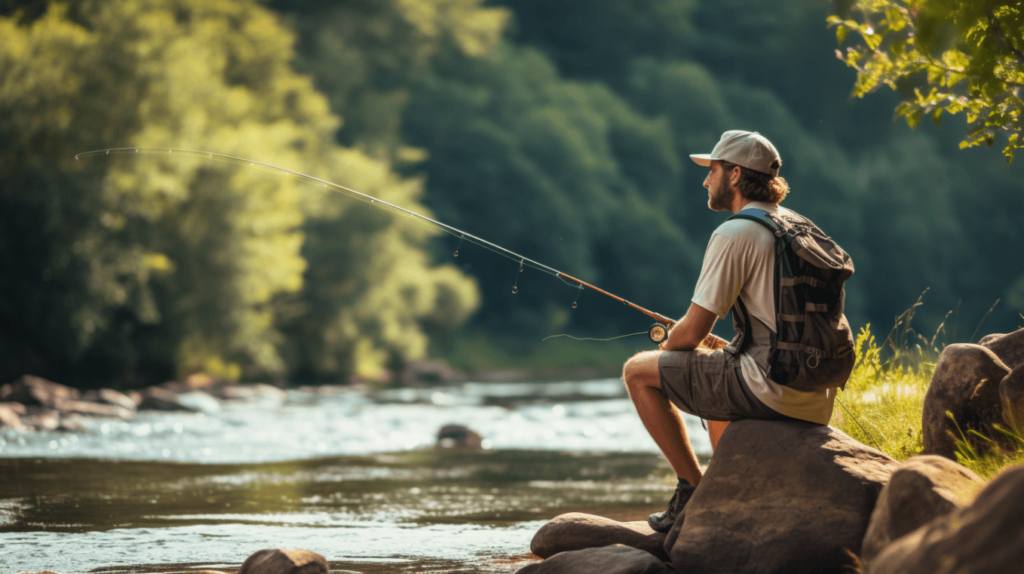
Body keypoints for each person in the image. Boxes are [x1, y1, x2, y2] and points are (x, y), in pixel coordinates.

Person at [622, 130, 840, 533]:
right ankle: (726, 489)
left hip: (770, 390)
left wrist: (671, 346)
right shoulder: (797, 226)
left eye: (713, 170)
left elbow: (689, 334)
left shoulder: (735, 232)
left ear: (735, 175)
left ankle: (693, 490)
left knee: (638, 371)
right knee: (719, 365)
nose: (706, 180)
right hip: (816, 397)